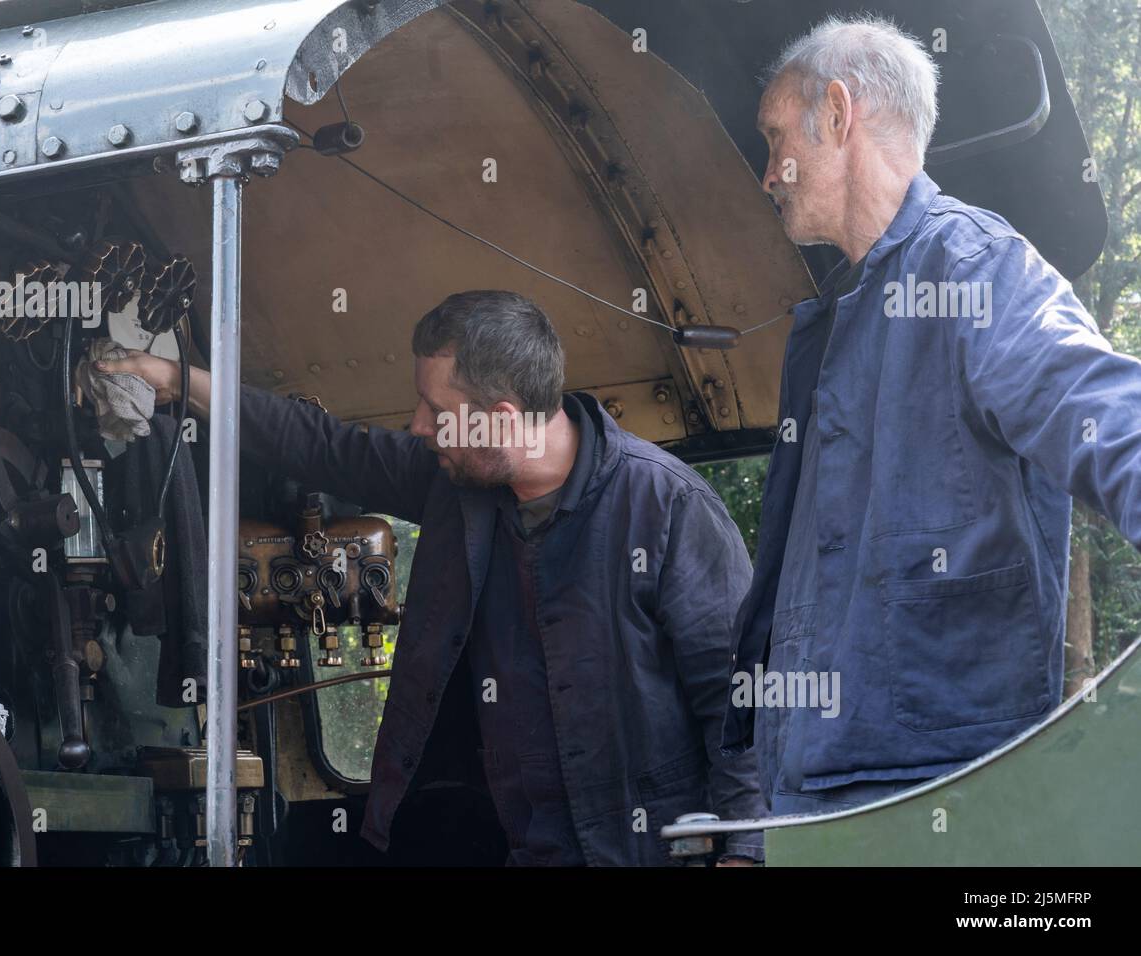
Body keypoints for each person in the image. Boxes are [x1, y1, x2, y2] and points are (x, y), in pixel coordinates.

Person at [103, 290, 765, 865]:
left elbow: (736, 703)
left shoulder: (667, 508)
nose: (419, 427)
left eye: (434, 411)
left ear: (502, 418)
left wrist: (745, 852)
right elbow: (322, 446)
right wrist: (178, 379)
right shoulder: (455, 485)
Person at [725, 14, 1141, 817]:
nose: (768, 172)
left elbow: (1107, 414)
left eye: (777, 137)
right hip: (809, 791)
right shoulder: (825, 329)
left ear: (838, 114)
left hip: (938, 799)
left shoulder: (977, 270)